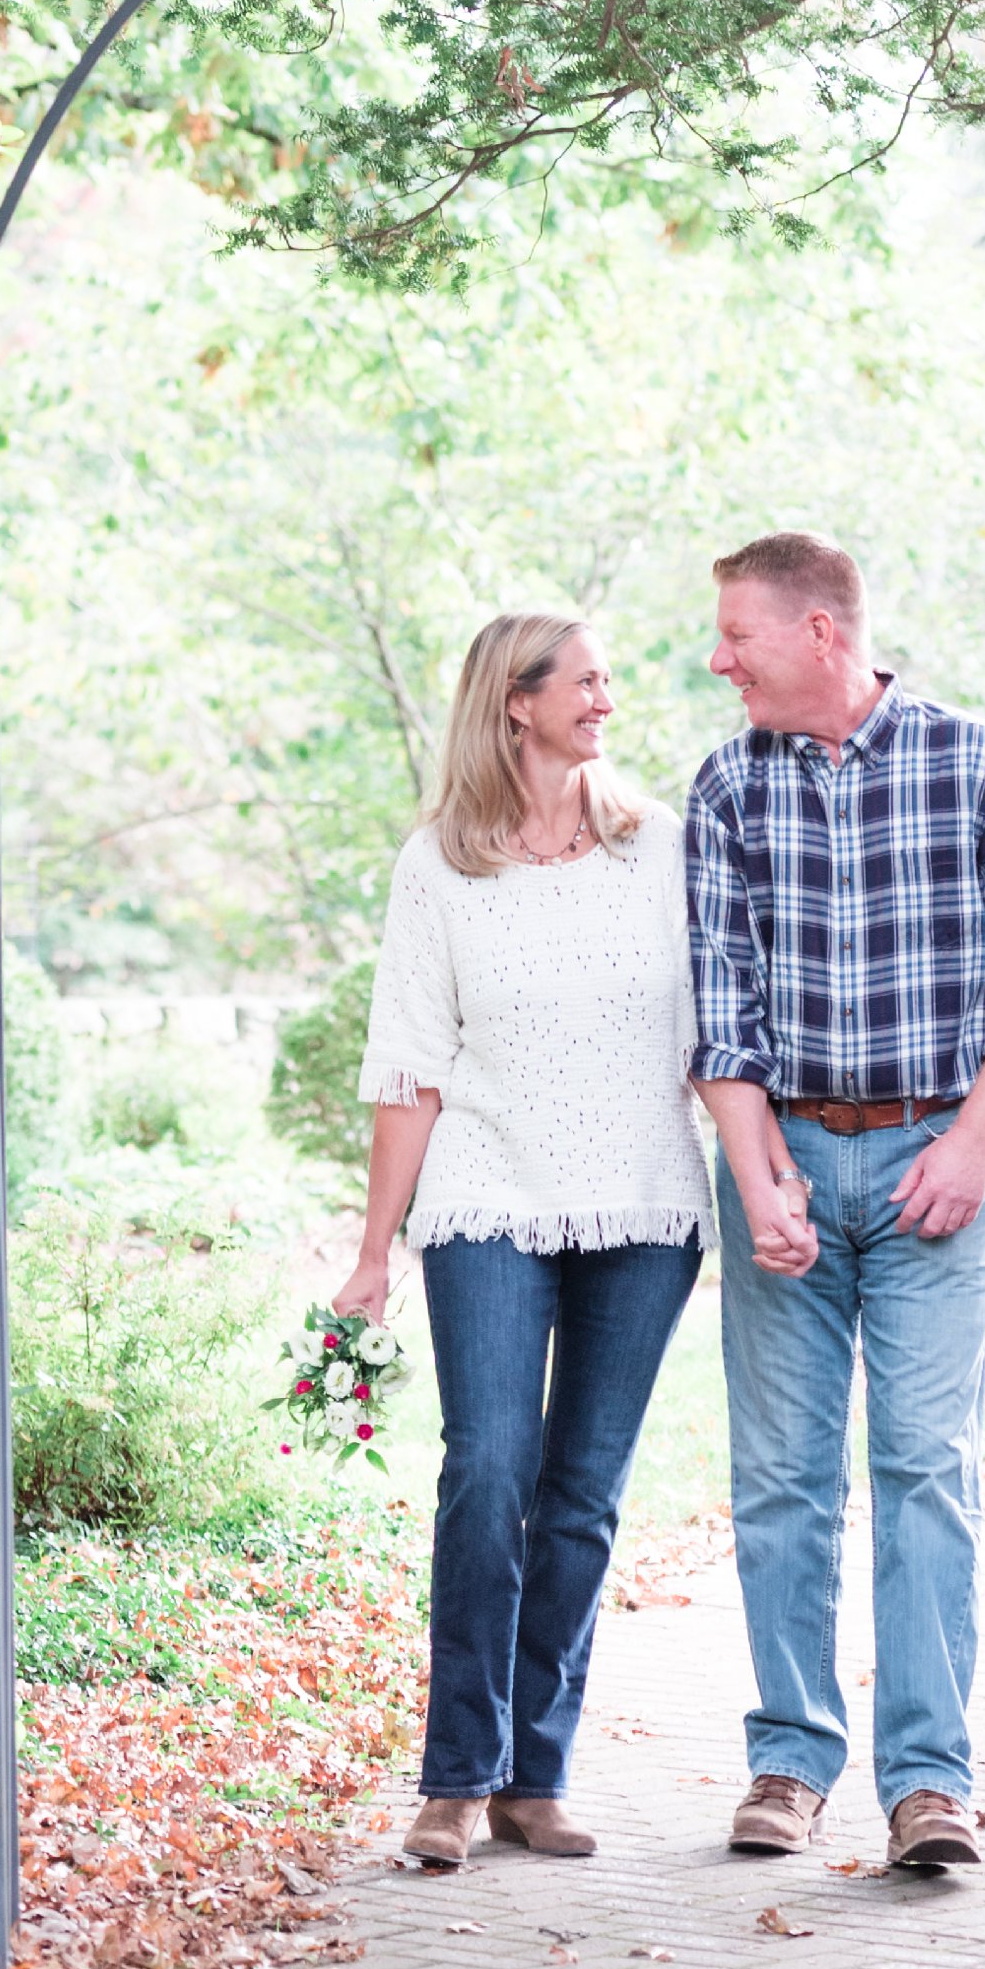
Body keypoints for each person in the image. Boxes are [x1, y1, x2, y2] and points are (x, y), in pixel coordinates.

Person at [685, 531, 985, 1874]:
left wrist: (972, 1143)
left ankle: (928, 1784)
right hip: (782, 1158)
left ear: (820, 633)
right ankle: (789, 1759)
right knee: (782, 1482)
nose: (716, 657)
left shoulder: (975, 763)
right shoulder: (727, 782)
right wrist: (756, 1174)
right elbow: (716, 998)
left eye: (737, 632)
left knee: (925, 1473)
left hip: (931, 1167)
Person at [334, 611, 713, 1871]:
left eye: (609, 675)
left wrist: (766, 1180)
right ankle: (454, 1774)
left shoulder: (658, 847)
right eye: (587, 679)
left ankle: (533, 1776)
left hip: (646, 1207)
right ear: (517, 702)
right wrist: (374, 1251)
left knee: (582, 1496)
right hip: (487, 1195)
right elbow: (409, 1070)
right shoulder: (438, 867)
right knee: (489, 1467)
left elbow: (720, 1030)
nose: (608, 696)